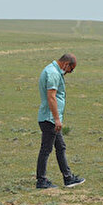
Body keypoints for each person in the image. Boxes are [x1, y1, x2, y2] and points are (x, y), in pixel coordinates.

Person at [36, 53, 85, 189]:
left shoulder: (53, 71)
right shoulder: (53, 73)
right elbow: (51, 97)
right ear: (66, 64)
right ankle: (41, 181)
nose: (70, 72)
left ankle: (68, 178)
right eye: (71, 69)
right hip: (49, 118)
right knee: (46, 149)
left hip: (51, 118)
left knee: (60, 147)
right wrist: (56, 119)